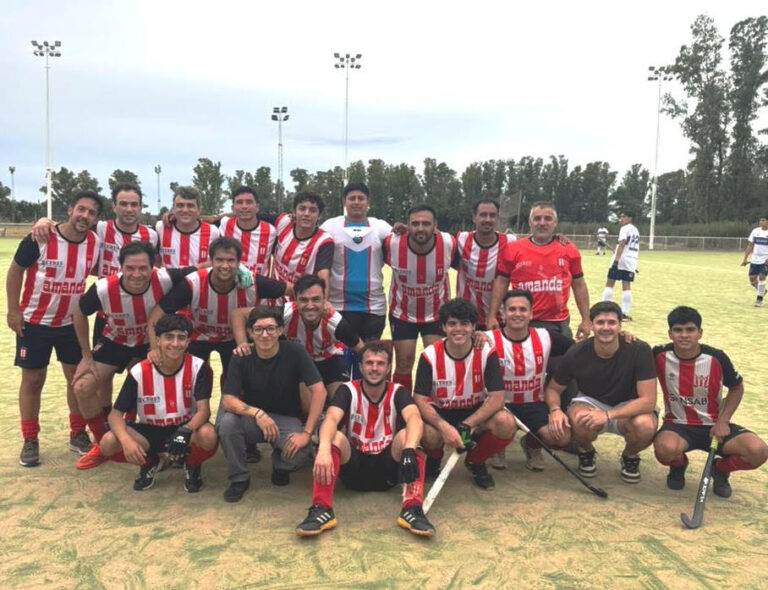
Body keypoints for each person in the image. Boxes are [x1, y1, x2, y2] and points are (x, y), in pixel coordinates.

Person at [70, 242, 197, 469]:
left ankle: (159, 441)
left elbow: (201, 268)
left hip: (151, 343)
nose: (136, 274)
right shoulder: (102, 288)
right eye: (130, 268)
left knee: (155, 387)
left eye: (143, 268)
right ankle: (101, 443)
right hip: (115, 340)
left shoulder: (165, 278)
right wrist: (86, 356)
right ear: (120, 267)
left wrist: (241, 270)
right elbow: (79, 312)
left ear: (153, 267)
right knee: (82, 387)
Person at [295, 342, 435, 538]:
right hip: (355, 468)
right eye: (369, 363)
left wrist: (409, 450)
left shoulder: (398, 391)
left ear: (388, 368)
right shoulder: (348, 389)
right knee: (332, 436)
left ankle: (412, 508)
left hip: (388, 470)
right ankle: (321, 508)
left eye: (380, 363)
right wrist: (324, 448)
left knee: (409, 437)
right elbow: (332, 418)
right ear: (360, 367)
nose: (374, 368)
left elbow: (414, 417)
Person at [7, 190, 102, 466]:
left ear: (96, 219)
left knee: (76, 380)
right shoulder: (41, 236)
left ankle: (77, 433)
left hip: (71, 324)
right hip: (35, 322)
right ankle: (30, 439)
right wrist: (13, 310)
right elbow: (15, 271)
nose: (85, 216)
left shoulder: (94, 242)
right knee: (34, 380)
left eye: (92, 212)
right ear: (70, 209)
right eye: (81, 209)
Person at [653, 306, 768, 496]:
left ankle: (720, 469)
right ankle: (678, 465)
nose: (684, 335)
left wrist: (723, 421)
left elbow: (737, 387)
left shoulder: (717, 357)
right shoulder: (658, 354)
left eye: (690, 330)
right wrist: (625, 336)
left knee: (758, 451)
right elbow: (632, 355)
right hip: (678, 424)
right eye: (678, 330)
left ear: (700, 333)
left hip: (714, 426)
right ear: (670, 334)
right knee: (664, 450)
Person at [98, 314, 218, 492]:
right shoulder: (139, 371)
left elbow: (204, 411)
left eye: (181, 338)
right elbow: (115, 415)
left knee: (209, 435)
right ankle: (149, 462)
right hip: (150, 430)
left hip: (185, 427)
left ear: (188, 342)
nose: (175, 344)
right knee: (108, 443)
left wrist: (185, 431)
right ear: (158, 340)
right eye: (169, 337)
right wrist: (126, 442)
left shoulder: (198, 367)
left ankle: (192, 465)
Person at [217, 306, 327, 502]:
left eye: (270, 328)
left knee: (301, 452)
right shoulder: (241, 356)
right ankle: (239, 478)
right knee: (227, 424)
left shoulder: (295, 351)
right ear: (250, 332)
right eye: (258, 329)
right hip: (252, 419)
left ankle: (281, 464)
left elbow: (319, 390)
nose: (265, 334)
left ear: (280, 330)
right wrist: (257, 414)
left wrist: (307, 433)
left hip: (285, 418)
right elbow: (227, 400)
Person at [545, 301, 657, 483]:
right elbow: (553, 389)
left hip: (628, 404)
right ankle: (587, 452)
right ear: (591, 324)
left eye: (612, 323)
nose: (606, 328)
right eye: (600, 322)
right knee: (579, 418)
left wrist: (607, 415)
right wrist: (555, 409)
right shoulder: (577, 351)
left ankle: (630, 456)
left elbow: (648, 401)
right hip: (591, 401)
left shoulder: (639, 349)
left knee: (645, 426)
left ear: (620, 325)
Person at [148, 236, 289, 381]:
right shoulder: (192, 283)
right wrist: (154, 349)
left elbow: (292, 290)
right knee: (192, 377)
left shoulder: (252, 282)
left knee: (236, 378)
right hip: (199, 334)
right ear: (211, 261)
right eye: (219, 260)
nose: (225, 265)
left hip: (233, 337)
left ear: (239, 263)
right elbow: (155, 317)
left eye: (230, 260)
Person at [414, 298, 516, 489]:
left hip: (475, 413)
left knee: (506, 423)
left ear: (473, 327)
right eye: (452, 323)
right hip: (443, 412)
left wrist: (467, 425)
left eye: (464, 323)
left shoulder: (485, 350)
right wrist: (444, 427)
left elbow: (497, 397)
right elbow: (419, 400)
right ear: (443, 327)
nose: (458, 329)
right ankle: (434, 461)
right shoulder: (429, 355)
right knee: (427, 433)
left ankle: (475, 461)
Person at [231, 275, 364, 401]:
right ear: (295, 299)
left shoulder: (335, 322)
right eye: (304, 300)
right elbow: (238, 314)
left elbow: (363, 350)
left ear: (325, 300)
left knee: (341, 399)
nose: (310, 305)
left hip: (329, 360)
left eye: (316, 299)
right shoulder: (286, 312)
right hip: (299, 361)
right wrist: (242, 344)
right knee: (306, 405)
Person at [484, 289, 573, 470]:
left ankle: (531, 444)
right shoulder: (487, 339)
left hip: (533, 403)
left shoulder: (545, 336)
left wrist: (622, 336)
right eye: (512, 309)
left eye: (523, 309)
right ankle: (496, 448)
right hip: (500, 405)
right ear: (503, 313)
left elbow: (580, 350)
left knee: (561, 435)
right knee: (502, 424)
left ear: (531, 313)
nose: (517, 314)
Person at [487, 201, 590, 340]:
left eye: (547, 218)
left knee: (560, 360)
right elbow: (501, 282)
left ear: (555, 222)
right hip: (522, 321)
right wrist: (492, 315)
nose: (542, 223)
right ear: (530, 222)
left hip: (557, 322)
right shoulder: (513, 249)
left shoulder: (568, 249)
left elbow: (579, 285)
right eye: (537, 218)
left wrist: (586, 319)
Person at [384, 204, 456, 392]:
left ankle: (431, 408)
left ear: (435, 226)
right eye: (415, 224)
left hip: (436, 314)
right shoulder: (392, 243)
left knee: (435, 363)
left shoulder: (449, 243)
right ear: (407, 225)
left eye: (426, 223)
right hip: (402, 313)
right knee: (404, 362)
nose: (421, 228)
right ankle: (402, 408)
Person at [320, 183, 393, 343]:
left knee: (369, 359)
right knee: (339, 359)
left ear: (368, 202)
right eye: (352, 198)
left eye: (361, 198)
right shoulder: (330, 226)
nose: (356, 202)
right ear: (344, 202)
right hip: (337, 305)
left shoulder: (381, 227)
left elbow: (404, 246)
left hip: (373, 306)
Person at [454, 200, 516, 330]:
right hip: (465, 317)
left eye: (492, 215)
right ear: (474, 217)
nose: (488, 219)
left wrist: (556, 237)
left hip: (497, 318)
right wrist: (406, 229)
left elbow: (535, 244)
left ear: (497, 218)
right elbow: (433, 236)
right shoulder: (462, 239)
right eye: (483, 215)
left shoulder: (511, 242)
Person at [270, 192, 334, 302]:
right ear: (294, 212)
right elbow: (253, 218)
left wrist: (324, 303)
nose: (306, 214)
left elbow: (323, 276)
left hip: (300, 305)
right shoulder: (283, 222)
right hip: (272, 298)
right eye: (302, 209)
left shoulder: (324, 241)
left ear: (319, 216)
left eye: (313, 210)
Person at [213, 186, 277, 275]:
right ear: (233, 207)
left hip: (258, 286)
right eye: (239, 202)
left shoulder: (271, 231)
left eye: (249, 202)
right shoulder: (224, 223)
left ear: (257, 207)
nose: (244, 206)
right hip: (228, 286)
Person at [156, 186, 220, 268]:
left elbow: (216, 261)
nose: (185, 210)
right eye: (180, 205)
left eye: (190, 206)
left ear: (199, 209)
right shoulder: (161, 227)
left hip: (200, 280)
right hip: (167, 281)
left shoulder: (213, 232)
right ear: (173, 208)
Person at [602, 211, 640, 320]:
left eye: (623, 217)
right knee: (626, 286)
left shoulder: (625, 228)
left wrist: (616, 260)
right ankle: (625, 313)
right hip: (631, 260)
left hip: (621, 259)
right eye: (620, 217)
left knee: (610, 283)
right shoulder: (635, 230)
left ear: (629, 218)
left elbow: (622, 243)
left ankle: (604, 310)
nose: (621, 219)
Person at [740, 216, 768, 307]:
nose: (761, 222)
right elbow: (750, 245)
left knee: (762, 277)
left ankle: (759, 299)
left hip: (765, 260)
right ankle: (762, 291)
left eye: (763, 220)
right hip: (755, 260)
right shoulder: (755, 231)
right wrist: (745, 258)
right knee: (752, 280)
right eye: (760, 220)